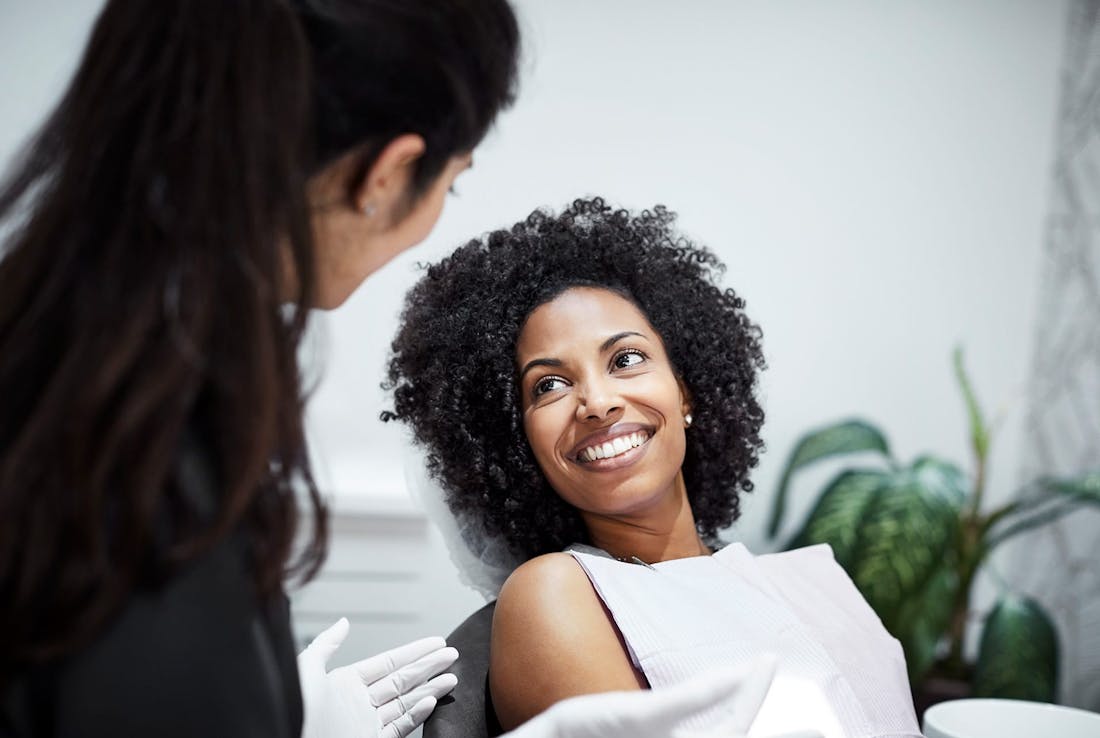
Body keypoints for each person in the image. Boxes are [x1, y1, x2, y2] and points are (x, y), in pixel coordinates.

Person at [0, 2, 776, 736]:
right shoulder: (145, 451)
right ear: (385, 175)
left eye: (629, 359)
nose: (599, 401)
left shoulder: (75, 364)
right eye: (454, 177)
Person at [384, 198, 923, 737]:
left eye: (626, 359)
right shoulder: (557, 595)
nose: (597, 402)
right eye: (549, 385)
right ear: (517, 443)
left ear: (684, 392)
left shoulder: (816, 578)